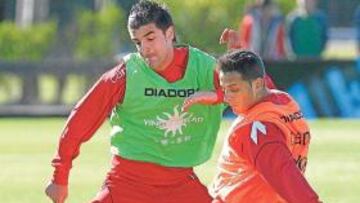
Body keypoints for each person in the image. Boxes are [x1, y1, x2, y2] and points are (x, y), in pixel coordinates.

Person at [45, 1, 225, 202]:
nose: (145, 48)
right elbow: (80, 121)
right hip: (126, 183)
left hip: (180, 183)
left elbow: (259, 90)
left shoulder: (205, 68)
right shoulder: (124, 76)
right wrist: (59, 176)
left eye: (150, 38)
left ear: (170, 33)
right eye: (137, 42)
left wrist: (218, 95)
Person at [184, 50, 321, 203]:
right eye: (224, 90)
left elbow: (284, 175)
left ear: (257, 84)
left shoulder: (255, 129)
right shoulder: (284, 102)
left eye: (234, 89)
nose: (227, 97)